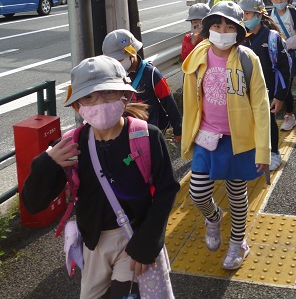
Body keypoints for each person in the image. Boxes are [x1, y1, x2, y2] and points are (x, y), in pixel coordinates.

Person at [21, 55, 180, 299]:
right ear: (77, 106)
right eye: (89, 97)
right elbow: (33, 204)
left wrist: (149, 241)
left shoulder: (147, 137)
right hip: (93, 244)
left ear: (125, 96)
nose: (99, 102)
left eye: (108, 93)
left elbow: (166, 190)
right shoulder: (71, 146)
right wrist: (47, 163)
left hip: (134, 238)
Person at [181, 1, 270, 270]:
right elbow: (189, 100)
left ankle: (237, 242)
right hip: (207, 137)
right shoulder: (198, 56)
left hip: (238, 140)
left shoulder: (247, 58)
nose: (222, 30)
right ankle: (214, 217)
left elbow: (260, 104)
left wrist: (263, 149)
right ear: (208, 28)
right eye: (217, 25)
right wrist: (186, 135)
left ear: (238, 30)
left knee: (236, 192)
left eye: (229, 26)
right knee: (197, 192)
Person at [239, 0, 291, 171]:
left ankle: (274, 153)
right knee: (249, 124)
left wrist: (280, 96)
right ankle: (255, 153)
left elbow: (284, 69)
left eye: (248, 14)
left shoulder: (272, 37)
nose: (244, 18)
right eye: (242, 14)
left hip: (268, 92)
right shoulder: (240, 37)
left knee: (268, 123)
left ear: (259, 15)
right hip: (245, 92)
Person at [102, 29, 182, 142]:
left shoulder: (152, 74)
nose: (116, 65)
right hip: (125, 132)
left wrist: (178, 129)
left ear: (131, 53)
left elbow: (168, 102)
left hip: (150, 132)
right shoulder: (113, 75)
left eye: (119, 60)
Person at [266, 0, 296, 132]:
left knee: (287, 87)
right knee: (276, 86)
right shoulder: (269, 14)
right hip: (274, 55)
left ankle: (289, 116)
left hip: (289, 54)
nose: (279, 1)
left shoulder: (293, 12)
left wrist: (287, 44)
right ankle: (277, 115)